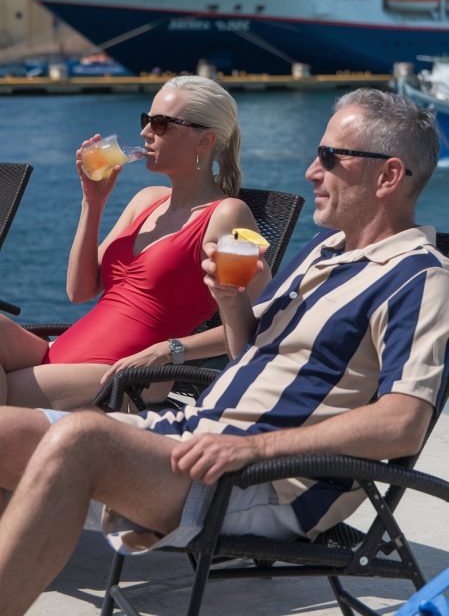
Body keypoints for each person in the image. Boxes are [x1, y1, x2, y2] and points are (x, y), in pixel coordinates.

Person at [0, 88, 448, 616]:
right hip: (192, 435)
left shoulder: (418, 277)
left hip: (261, 480)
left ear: (388, 176)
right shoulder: (324, 255)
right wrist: (232, 305)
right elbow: (248, 354)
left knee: (81, 437)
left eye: (330, 157)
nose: (310, 171)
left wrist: (255, 450)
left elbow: (404, 422)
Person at [0, 75, 270, 409]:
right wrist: (93, 203)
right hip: (63, 356)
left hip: (126, 378)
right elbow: (79, 292)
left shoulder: (228, 215)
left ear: (204, 141)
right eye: (147, 120)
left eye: (161, 124)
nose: (145, 133)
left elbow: (262, 320)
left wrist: (171, 350)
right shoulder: (146, 201)